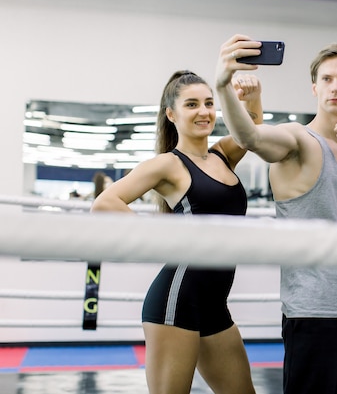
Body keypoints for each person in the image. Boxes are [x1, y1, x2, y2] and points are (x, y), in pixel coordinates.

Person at [214, 34, 337, 394]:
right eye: (327, 79)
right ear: (314, 88)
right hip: (312, 313)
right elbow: (250, 138)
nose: (335, 87)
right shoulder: (298, 140)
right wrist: (222, 84)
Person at [91, 70, 263, 394]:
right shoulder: (169, 165)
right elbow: (104, 202)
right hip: (176, 302)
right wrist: (161, 238)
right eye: (192, 104)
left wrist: (253, 96)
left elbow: (252, 131)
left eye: (209, 103)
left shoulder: (223, 155)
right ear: (172, 114)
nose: (204, 111)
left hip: (215, 305)